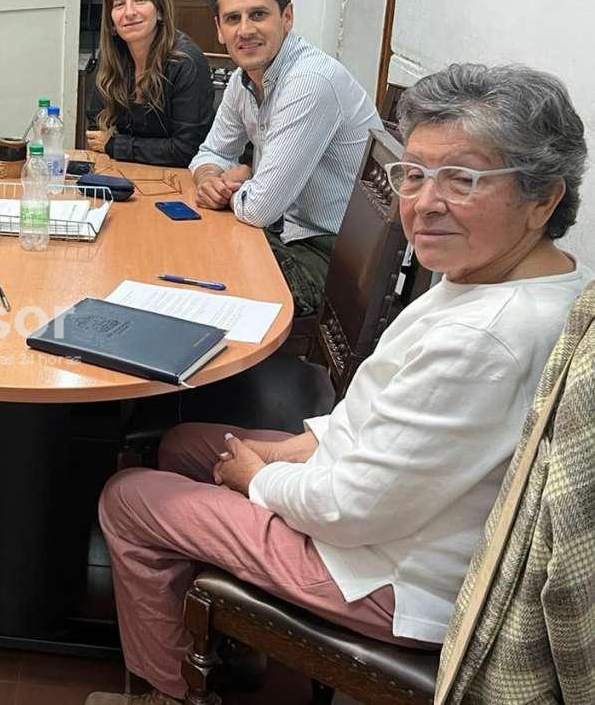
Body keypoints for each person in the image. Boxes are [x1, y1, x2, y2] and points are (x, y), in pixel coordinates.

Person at [87, 63, 591, 705]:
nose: (424, 203)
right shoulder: (521, 278)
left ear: (543, 198)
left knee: (129, 497)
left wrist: (258, 479)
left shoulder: (485, 338)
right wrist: (296, 448)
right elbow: (384, 420)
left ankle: (168, 693)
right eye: (414, 175)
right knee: (184, 444)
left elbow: (347, 510)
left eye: (462, 179)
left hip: (382, 575)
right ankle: (217, 638)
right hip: (389, 514)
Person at [188, 0, 381, 317]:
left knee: (201, 284)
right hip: (288, 235)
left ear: (287, 17)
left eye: (258, 14)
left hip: (337, 259)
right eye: (232, 18)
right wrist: (210, 179)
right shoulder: (243, 79)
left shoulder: (310, 82)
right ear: (219, 29)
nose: (245, 30)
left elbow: (259, 209)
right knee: (186, 255)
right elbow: (211, 151)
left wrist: (242, 179)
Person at [84, 0, 214, 168]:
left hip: (176, 177)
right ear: (111, 19)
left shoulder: (186, 62)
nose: (129, 12)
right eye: (119, 4)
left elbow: (188, 149)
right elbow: (96, 129)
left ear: (160, 10)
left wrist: (117, 145)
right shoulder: (112, 56)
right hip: (121, 170)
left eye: (140, 0)